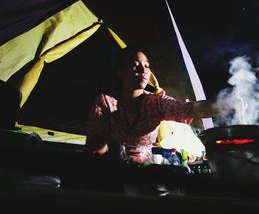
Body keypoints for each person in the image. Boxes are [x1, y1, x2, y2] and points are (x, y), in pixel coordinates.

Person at [85, 45, 226, 165]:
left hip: (145, 174)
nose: (144, 70)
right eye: (136, 65)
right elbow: (98, 140)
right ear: (120, 72)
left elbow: (188, 109)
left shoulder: (155, 102)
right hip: (113, 172)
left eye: (147, 66)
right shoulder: (106, 102)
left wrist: (226, 105)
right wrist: (99, 150)